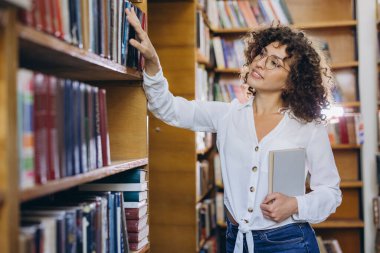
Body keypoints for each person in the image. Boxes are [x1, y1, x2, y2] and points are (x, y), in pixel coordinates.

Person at [125, 7, 342, 253]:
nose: (260, 63)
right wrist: (153, 64)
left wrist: (295, 205)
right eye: (261, 54)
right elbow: (168, 108)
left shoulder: (307, 127)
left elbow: (330, 193)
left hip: (290, 242)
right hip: (236, 241)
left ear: (292, 81)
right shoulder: (227, 115)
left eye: (274, 63)